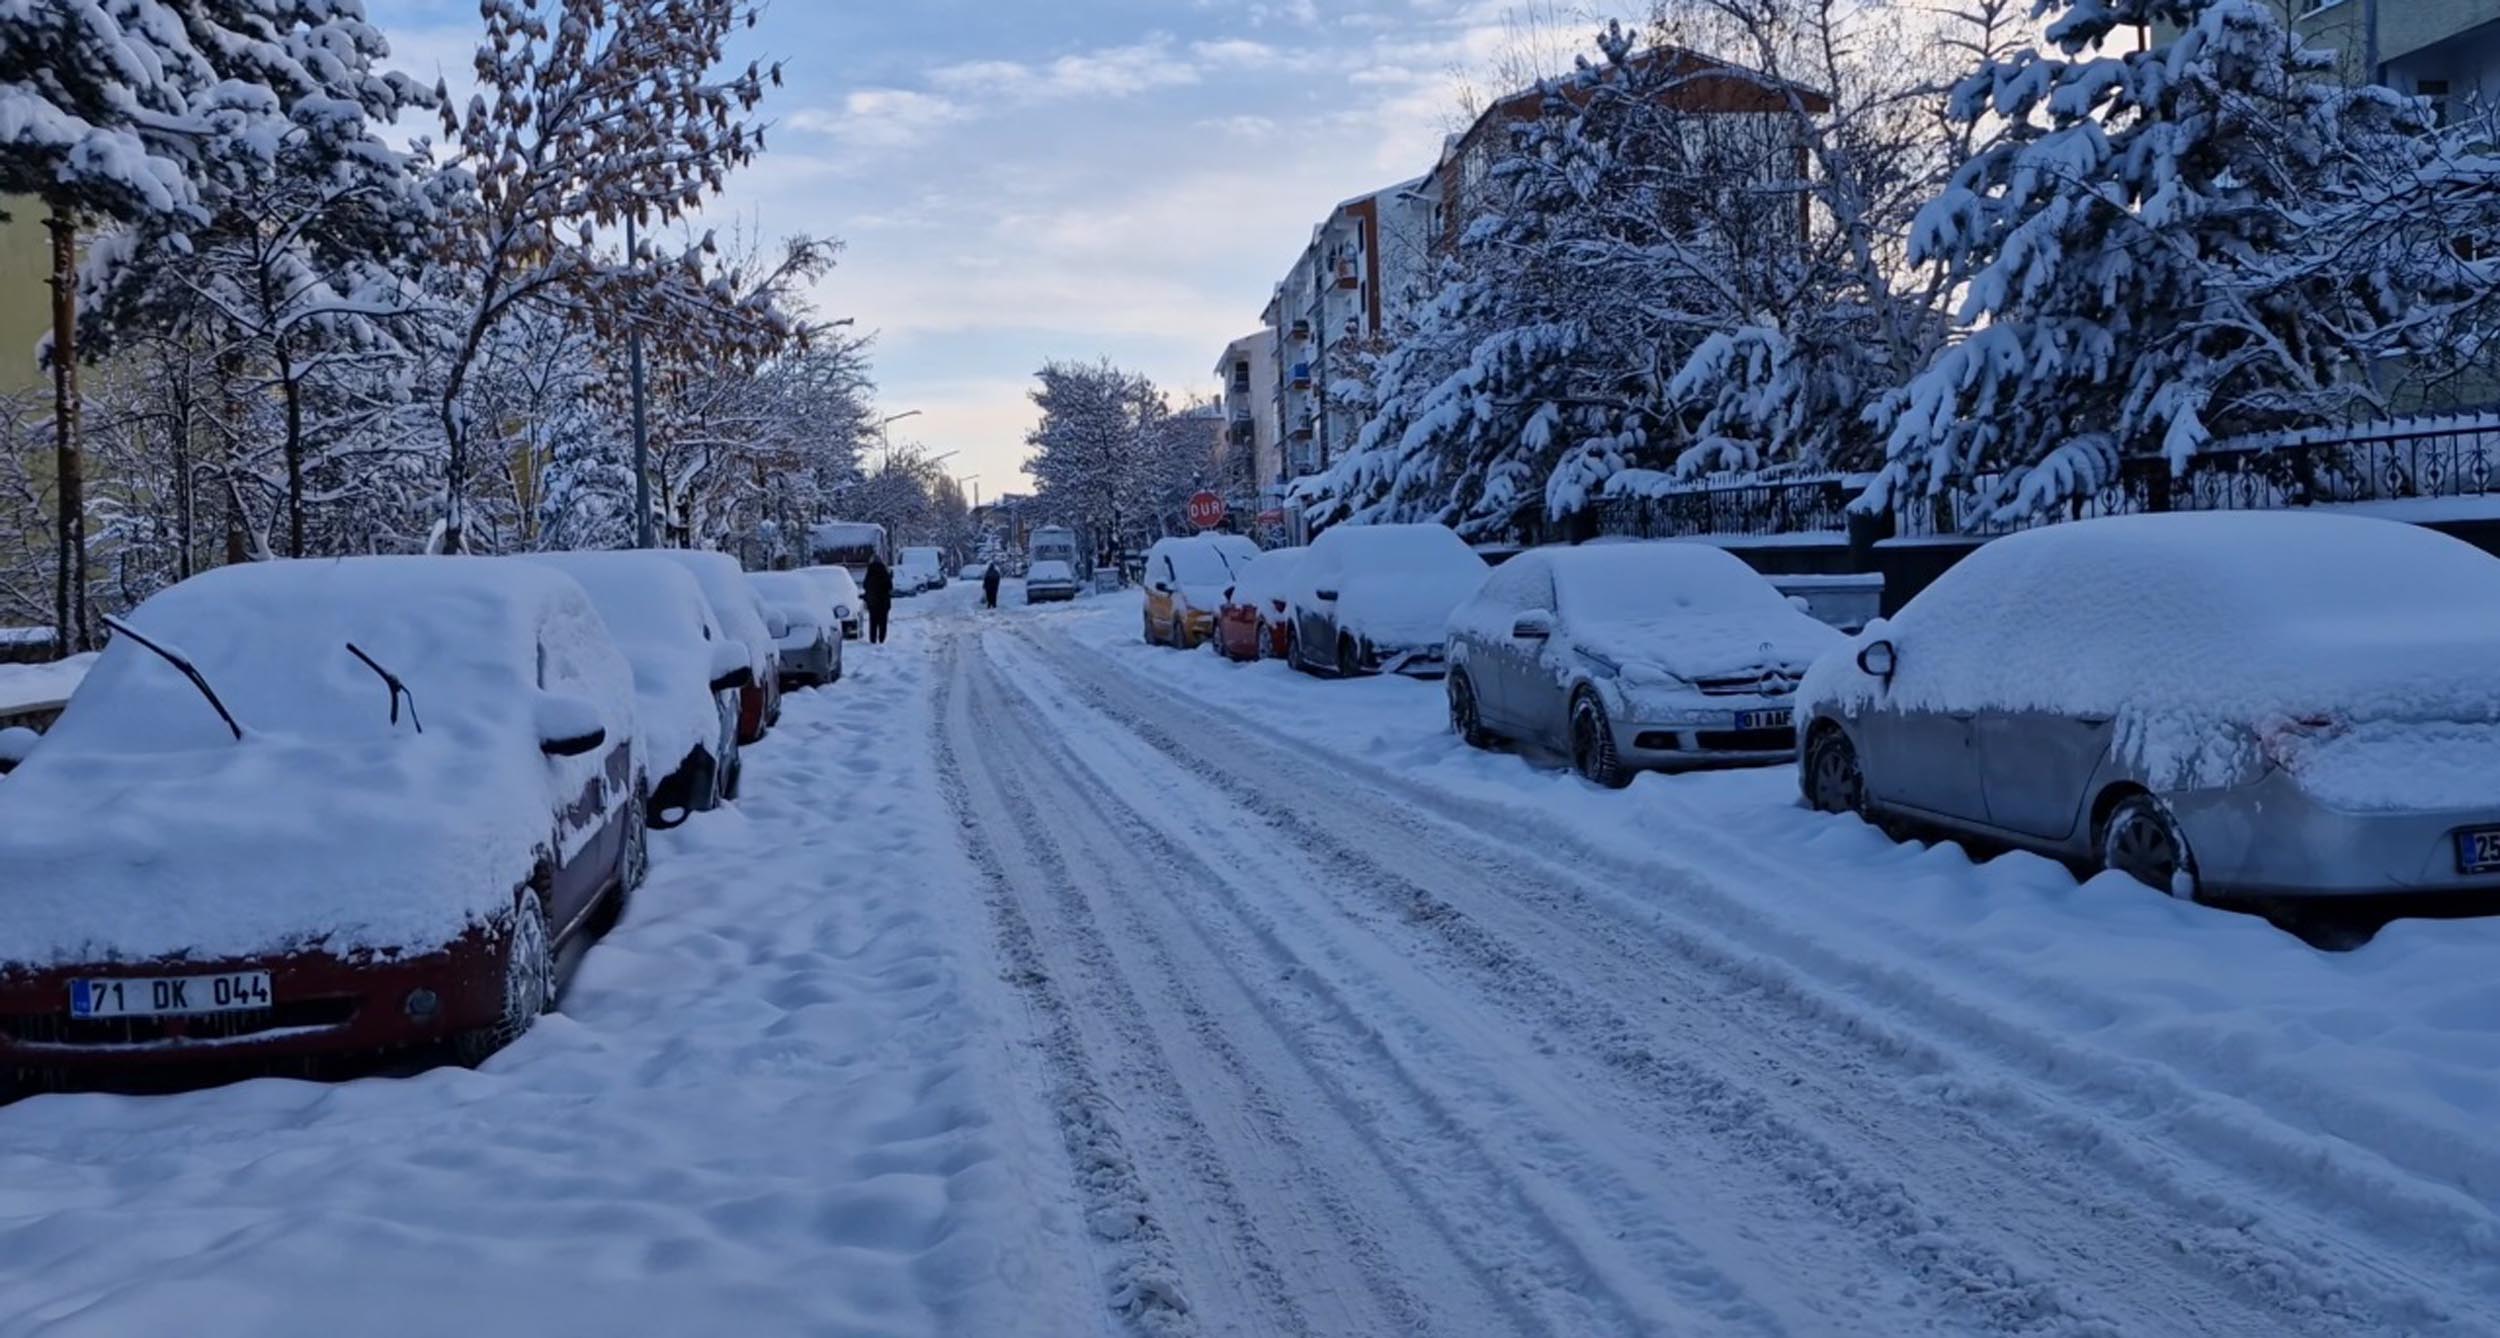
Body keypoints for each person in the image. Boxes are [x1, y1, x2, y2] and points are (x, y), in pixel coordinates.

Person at [863, 555, 894, 645]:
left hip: (873, 601)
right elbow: (890, 586)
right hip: (884, 602)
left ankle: (872, 639)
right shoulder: (884, 571)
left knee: (873, 622)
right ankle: (881, 639)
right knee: (883, 622)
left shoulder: (870, 571)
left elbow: (865, 585)